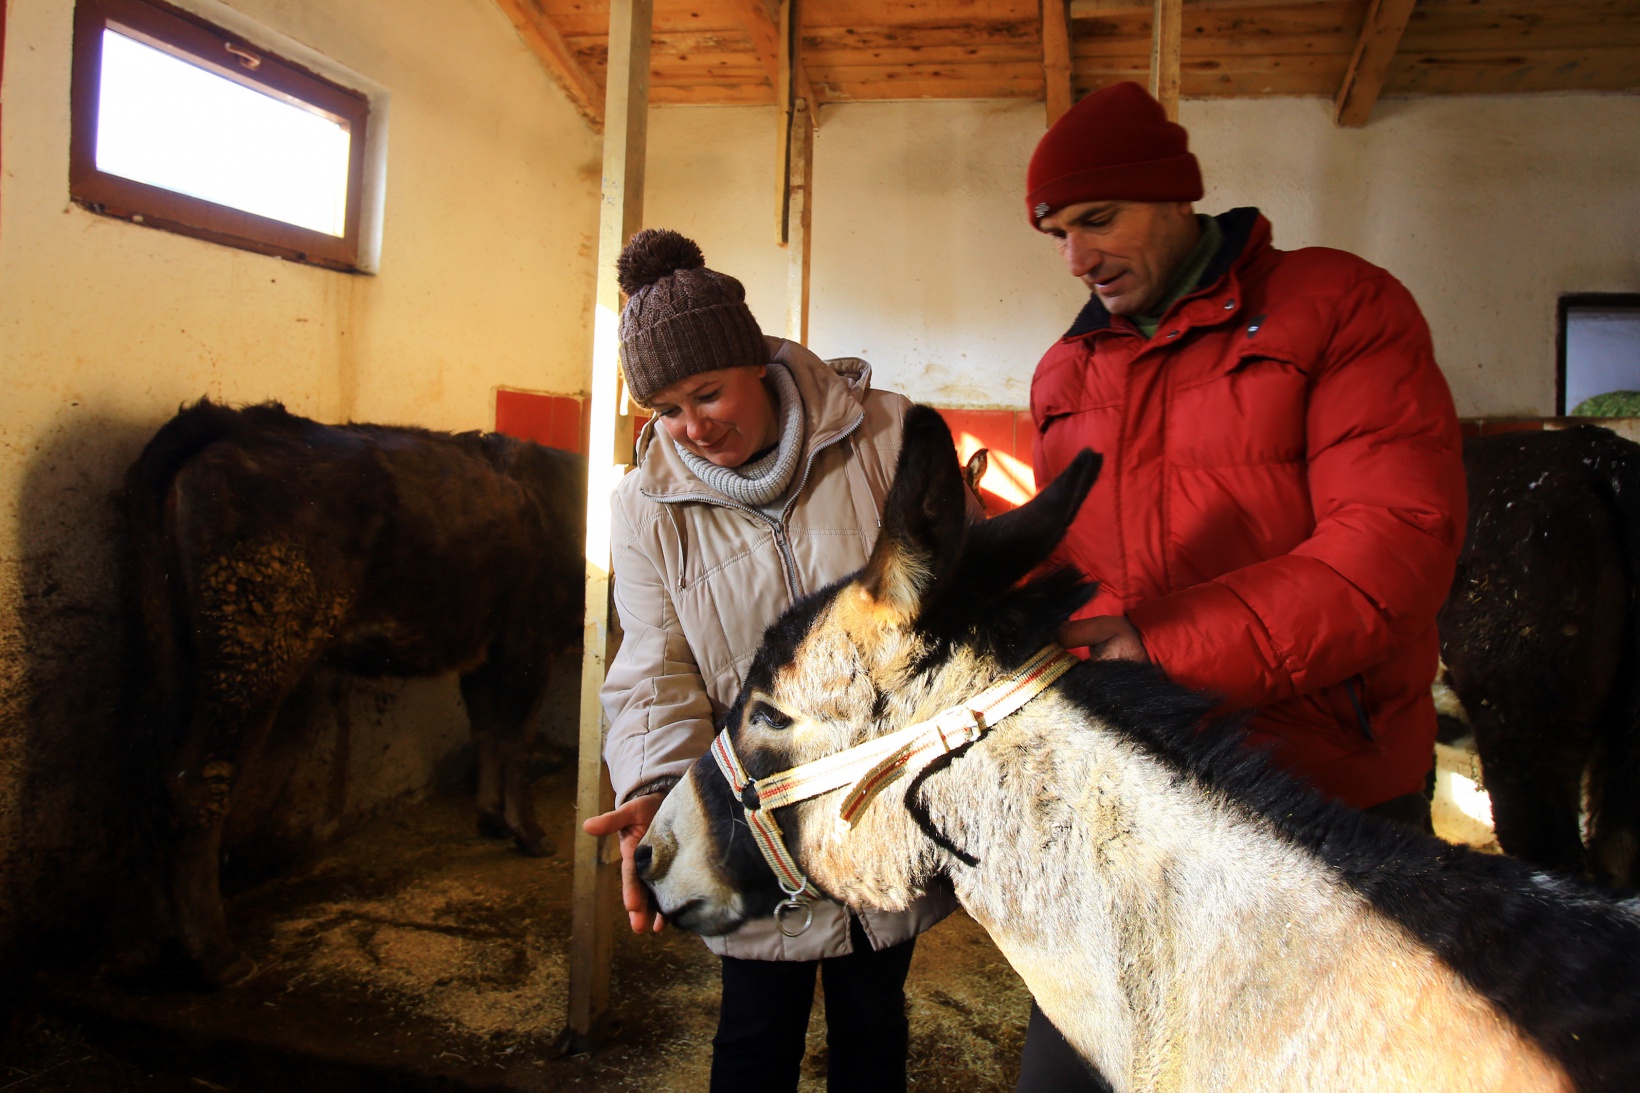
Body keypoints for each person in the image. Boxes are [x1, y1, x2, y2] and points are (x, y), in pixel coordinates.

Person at [1017, 82, 1468, 1091]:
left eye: (1099, 218)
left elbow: (1388, 553)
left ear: (1177, 198)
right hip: (1139, 804)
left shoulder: (1340, 307)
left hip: (1326, 794)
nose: (1075, 257)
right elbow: (1059, 580)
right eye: (1055, 233)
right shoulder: (1063, 374)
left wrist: (1155, 651)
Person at [582, 228, 957, 1093]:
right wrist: (653, 793)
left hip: (880, 800)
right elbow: (655, 668)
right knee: (754, 1031)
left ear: (753, 360)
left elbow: (952, 605)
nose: (691, 427)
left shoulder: (889, 436)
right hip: (755, 813)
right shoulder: (645, 508)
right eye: (666, 410)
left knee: (873, 1020)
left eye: (707, 393)